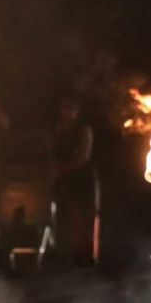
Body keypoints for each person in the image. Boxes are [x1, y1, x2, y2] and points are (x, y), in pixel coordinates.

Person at [51, 96, 99, 266]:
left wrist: (63, 169)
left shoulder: (84, 129)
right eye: (63, 108)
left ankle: (89, 255)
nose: (66, 113)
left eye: (70, 109)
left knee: (88, 217)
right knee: (74, 217)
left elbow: (84, 157)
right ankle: (78, 253)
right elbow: (54, 150)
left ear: (76, 112)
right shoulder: (59, 129)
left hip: (84, 176)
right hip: (68, 178)